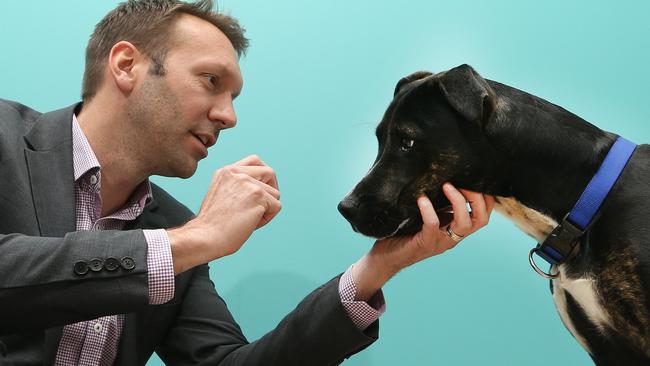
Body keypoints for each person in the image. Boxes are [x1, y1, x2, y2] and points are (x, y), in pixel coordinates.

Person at [0, 0, 494, 365]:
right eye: (211, 81)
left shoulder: (173, 228)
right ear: (127, 65)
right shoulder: (5, 138)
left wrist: (377, 267)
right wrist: (195, 241)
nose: (229, 116)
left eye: (235, 96)